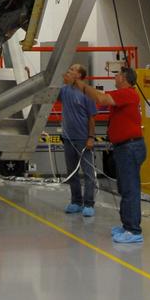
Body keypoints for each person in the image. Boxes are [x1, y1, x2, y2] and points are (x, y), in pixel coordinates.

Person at [75, 63, 146, 243]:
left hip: (130, 148)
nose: (114, 77)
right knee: (124, 187)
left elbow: (101, 98)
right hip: (124, 147)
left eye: (117, 75)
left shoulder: (127, 94)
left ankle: (133, 230)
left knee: (130, 189)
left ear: (124, 78)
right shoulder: (122, 96)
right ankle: (127, 224)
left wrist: (82, 85)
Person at [58, 64, 97, 218]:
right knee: (71, 172)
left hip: (83, 139)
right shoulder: (64, 90)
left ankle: (88, 203)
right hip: (68, 138)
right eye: (69, 68)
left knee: (88, 173)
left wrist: (91, 137)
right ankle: (76, 201)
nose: (69, 70)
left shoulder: (87, 93)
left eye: (72, 69)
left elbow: (92, 118)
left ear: (79, 75)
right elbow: (47, 93)